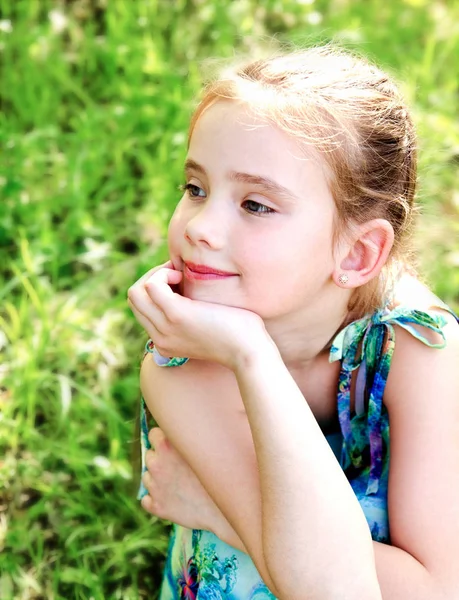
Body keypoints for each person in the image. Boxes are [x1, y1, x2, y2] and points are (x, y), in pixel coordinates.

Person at [127, 45, 459, 600]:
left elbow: (434, 589)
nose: (201, 226)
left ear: (356, 254)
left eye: (256, 204)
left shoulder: (418, 345)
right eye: (196, 188)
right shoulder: (181, 367)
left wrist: (221, 513)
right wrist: (249, 353)